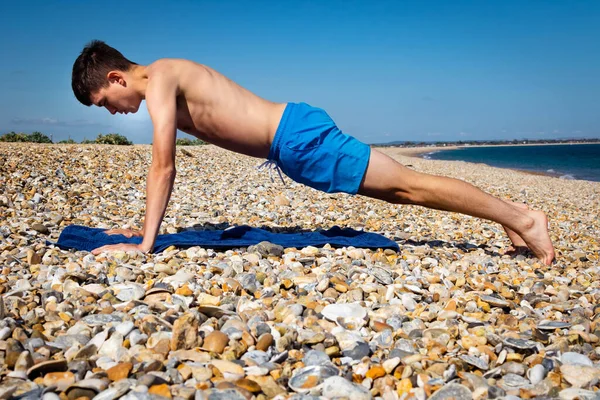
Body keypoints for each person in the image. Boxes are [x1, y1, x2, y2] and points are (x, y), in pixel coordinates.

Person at [71, 40, 555, 265]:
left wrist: (145, 244)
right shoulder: (165, 77)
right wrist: (143, 227)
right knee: (406, 191)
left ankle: (524, 217)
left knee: (411, 186)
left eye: (103, 103)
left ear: (116, 79)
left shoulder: (160, 78)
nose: (110, 113)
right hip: (294, 141)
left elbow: (163, 164)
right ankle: (510, 219)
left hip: (297, 138)